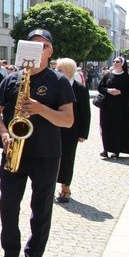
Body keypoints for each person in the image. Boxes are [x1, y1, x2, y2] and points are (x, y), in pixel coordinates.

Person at [0, 28, 74, 257]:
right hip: (13, 150)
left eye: (43, 46)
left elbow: (67, 120)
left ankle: (33, 255)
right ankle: (10, 253)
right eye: (33, 45)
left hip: (46, 154)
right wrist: (3, 132)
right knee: (8, 204)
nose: (38, 49)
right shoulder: (11, 79)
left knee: (41, 206)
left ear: (50, 52)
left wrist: (40, 109)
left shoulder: (58, 81)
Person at [54, 58, 91, 203]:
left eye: (60, 70)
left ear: (69, 72)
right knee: (51, 159)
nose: (57, 72)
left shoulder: (80, 89)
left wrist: (83, 133)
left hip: (71, 131)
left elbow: (85, 113)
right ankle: (49, 185)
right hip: (53, 128)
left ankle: (65, 187)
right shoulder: (54, 86)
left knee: (67, 159)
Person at [97, 57, 129, 159]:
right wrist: (108, 90)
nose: (114, 63)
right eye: (114, 61)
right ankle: (105, 149)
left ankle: (116, 150)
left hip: (120, 107)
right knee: (105, 126)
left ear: (122, 64)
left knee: (117, 127)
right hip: (107, 106)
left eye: (117, 62)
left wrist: (120, 92)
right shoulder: (108, 75)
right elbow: (100, 88)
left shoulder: (127, 77)